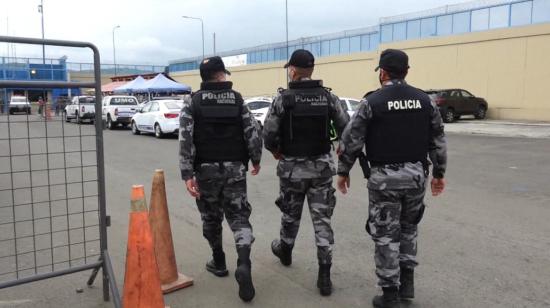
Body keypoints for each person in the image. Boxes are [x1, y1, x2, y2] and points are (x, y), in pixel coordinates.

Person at [337, 49, 447, 308]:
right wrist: (439, 174)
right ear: (406, 72)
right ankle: (406, 284)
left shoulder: (372, 102)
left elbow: (351, 140)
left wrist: (343, 171)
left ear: (383, 73)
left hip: (384, 180)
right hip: (416, 178)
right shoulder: (425, 101)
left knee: (386, 234)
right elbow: (438, 140)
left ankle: (389, 295)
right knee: (409, 229)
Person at [263, 49, 350, 296]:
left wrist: (276, 150)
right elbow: (347, 130)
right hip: (322, 169)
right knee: (322, 220)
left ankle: (286, 250)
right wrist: (341, 153)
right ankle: (324, 275)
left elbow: (268, 134)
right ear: (311, 70)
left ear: (292, 69)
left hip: (292, 169)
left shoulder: (284, 99)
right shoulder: (328, 98)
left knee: (290, 214)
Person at [178, 56, 262, 302]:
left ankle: (219, 260)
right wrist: (256, 159)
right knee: (239, 217)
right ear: (221, 75)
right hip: (235, 169)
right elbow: (252, 133)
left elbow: (186, 139)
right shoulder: (237, 99)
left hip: (206, 171)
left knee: (211, 217)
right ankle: (243, 263)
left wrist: (187, 174)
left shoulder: (193, 102)